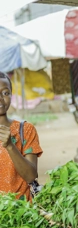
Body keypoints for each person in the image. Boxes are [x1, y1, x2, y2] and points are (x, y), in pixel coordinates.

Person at [0, 72, 42, 201]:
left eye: (5, 93)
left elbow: (30, 176)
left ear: (12, 95)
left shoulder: (25, 130)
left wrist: (10, 146)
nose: (1, 99)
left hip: (22, 213)